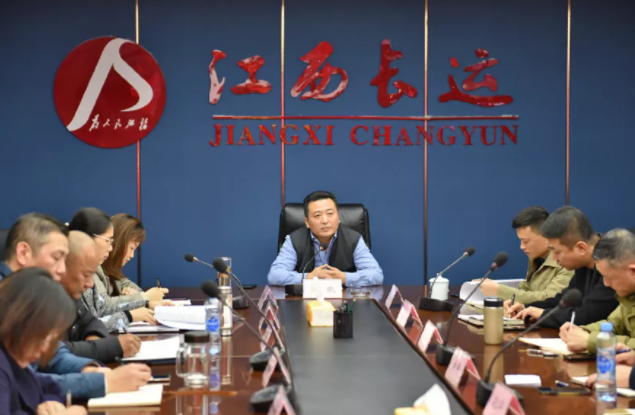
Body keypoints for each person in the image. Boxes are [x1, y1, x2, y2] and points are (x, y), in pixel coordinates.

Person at [1, 214, 150, 396]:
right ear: (24, 252)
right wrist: (101, 382)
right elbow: (22, 384)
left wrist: (88, 369)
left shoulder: (29, 291)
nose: (62, 269)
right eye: (56, 258)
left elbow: (53, 353)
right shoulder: (10, 298)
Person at [506, 206, 618, 328]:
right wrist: (527, 308)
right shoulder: (585, 261)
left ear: (581, 248)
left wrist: (543, 314)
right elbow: (563, 301)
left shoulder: (613, 264)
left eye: (556, 252)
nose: (554, 258)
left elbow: (587, 316)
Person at [0, 267, 86, 415]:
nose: (45, 348)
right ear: (20, 320)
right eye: (42, 336)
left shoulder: (16, 361)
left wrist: (49, 403)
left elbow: (46, 388)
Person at [68, 208, 168, 332]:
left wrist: (143, 301)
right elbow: (100, 310)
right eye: (108, 240)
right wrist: (141, 301)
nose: (110, 248)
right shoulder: (81, 267)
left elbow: (90, 324)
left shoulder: (97, 267)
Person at [268, 191, 383, 287]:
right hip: (303, 300)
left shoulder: (353, 239)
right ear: (307, 222)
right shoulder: (294, 240)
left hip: (344, 301)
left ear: (338, 217)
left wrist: (344, 278)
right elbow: (274, 275)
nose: (325, 220)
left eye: (330, 214)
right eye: (317, 215)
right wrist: (308, 277)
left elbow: (376, 275)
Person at [478, 207, 573, 303]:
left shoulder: (568, 262)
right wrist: (492, 286)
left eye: (525, 241)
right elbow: (528, 289)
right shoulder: (536, 258)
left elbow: (549, 300)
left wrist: (499, 291)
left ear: (545, 236)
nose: (522, 247)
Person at [561, 229, 635, 353]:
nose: (606, 284)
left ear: (633, 271)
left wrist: (590, 340)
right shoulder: (628, 295)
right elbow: (611, 324)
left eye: (609, 277)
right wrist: (582, 331)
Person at [101, 213, 165, 315]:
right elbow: (103, 306)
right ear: (119, 241)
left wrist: (138, 297)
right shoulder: (94, 267)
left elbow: (127, 284)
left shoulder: (111, 271)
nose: (132, 256)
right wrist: (145, 297)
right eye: (131, 248)